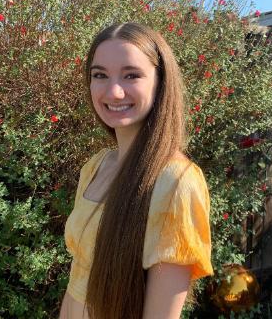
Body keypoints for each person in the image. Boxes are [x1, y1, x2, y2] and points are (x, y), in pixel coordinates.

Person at [59, 22, 214, 319]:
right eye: (100, 75)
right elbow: (74, 287)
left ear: (160, 82)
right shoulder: (95, 167)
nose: (114, 91)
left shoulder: (177, 182)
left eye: (131, 75)